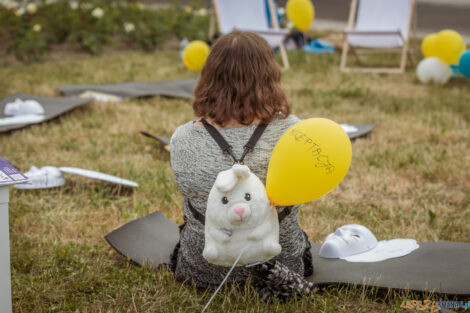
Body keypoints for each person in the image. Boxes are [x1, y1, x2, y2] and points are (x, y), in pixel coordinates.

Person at [170, 31, 313, 296]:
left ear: (210, 76)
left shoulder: (183, 137)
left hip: (204, 270)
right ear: (270, 75)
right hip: (281, 271)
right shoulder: (295, 132)